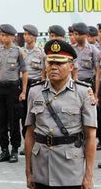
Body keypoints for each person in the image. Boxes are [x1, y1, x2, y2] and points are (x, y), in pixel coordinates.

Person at [25, 39, 97, 189]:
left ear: (71, 66)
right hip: (41, 169)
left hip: (70, 171)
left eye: (59, 63)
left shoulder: (83, 93)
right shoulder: (34, 92)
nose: (54, 67)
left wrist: (89, 175)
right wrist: (28, 170)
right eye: (50, 63)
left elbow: (90, 137)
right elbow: (30, 133)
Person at [0, 24, 27, 163]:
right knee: (0, 120)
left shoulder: (18, 51)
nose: (3, 37)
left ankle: (14, 150)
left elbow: (24, 72)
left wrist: (23, 91)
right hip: (0, 88)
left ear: (13, 36)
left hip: (13, 88)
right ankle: (4, 150)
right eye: (1, 35)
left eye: (6, 35)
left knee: (14, 121)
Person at [19, 24, 46, 155]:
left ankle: (35, 142)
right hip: (22, 85)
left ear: (34, 37)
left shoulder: (40, 52)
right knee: (23, 115)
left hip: (35, 85)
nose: (26, 37)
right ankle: (26, 142)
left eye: (29, 34)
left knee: (35, 113)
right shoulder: (20, 51)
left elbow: (43, 72)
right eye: (25, 34)